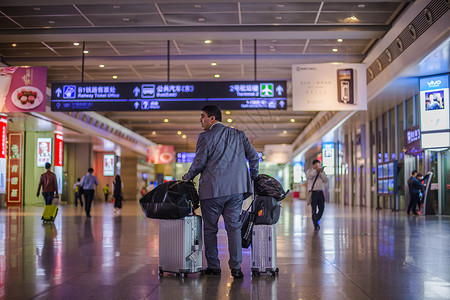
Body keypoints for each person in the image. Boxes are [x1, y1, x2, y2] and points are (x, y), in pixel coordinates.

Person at [182, 105, 259, 279]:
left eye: (202, 116)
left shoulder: (205, 137)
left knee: (210, 230)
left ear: (212, 119)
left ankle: (214, 266)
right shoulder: (239, 135)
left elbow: (199, 162)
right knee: (234, 228)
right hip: (236, 192)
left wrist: (188, 176)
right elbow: (254, 157)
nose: (200, 120)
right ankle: (236, 268)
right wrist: (253, 177)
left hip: (212, 191)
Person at [306, 159, 328, 230]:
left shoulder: (322, 173)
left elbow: (326, 180)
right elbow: (309, 177)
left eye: (319, 165)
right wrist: (316, 171)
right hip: (313, 192)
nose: (318, 166)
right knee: (314, 209)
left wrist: (321, 173)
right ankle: (315, 224)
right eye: (316, 165)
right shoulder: (310, 171)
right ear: (313, 165)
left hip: (320, 192)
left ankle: (316, 219)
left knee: (322, 207)